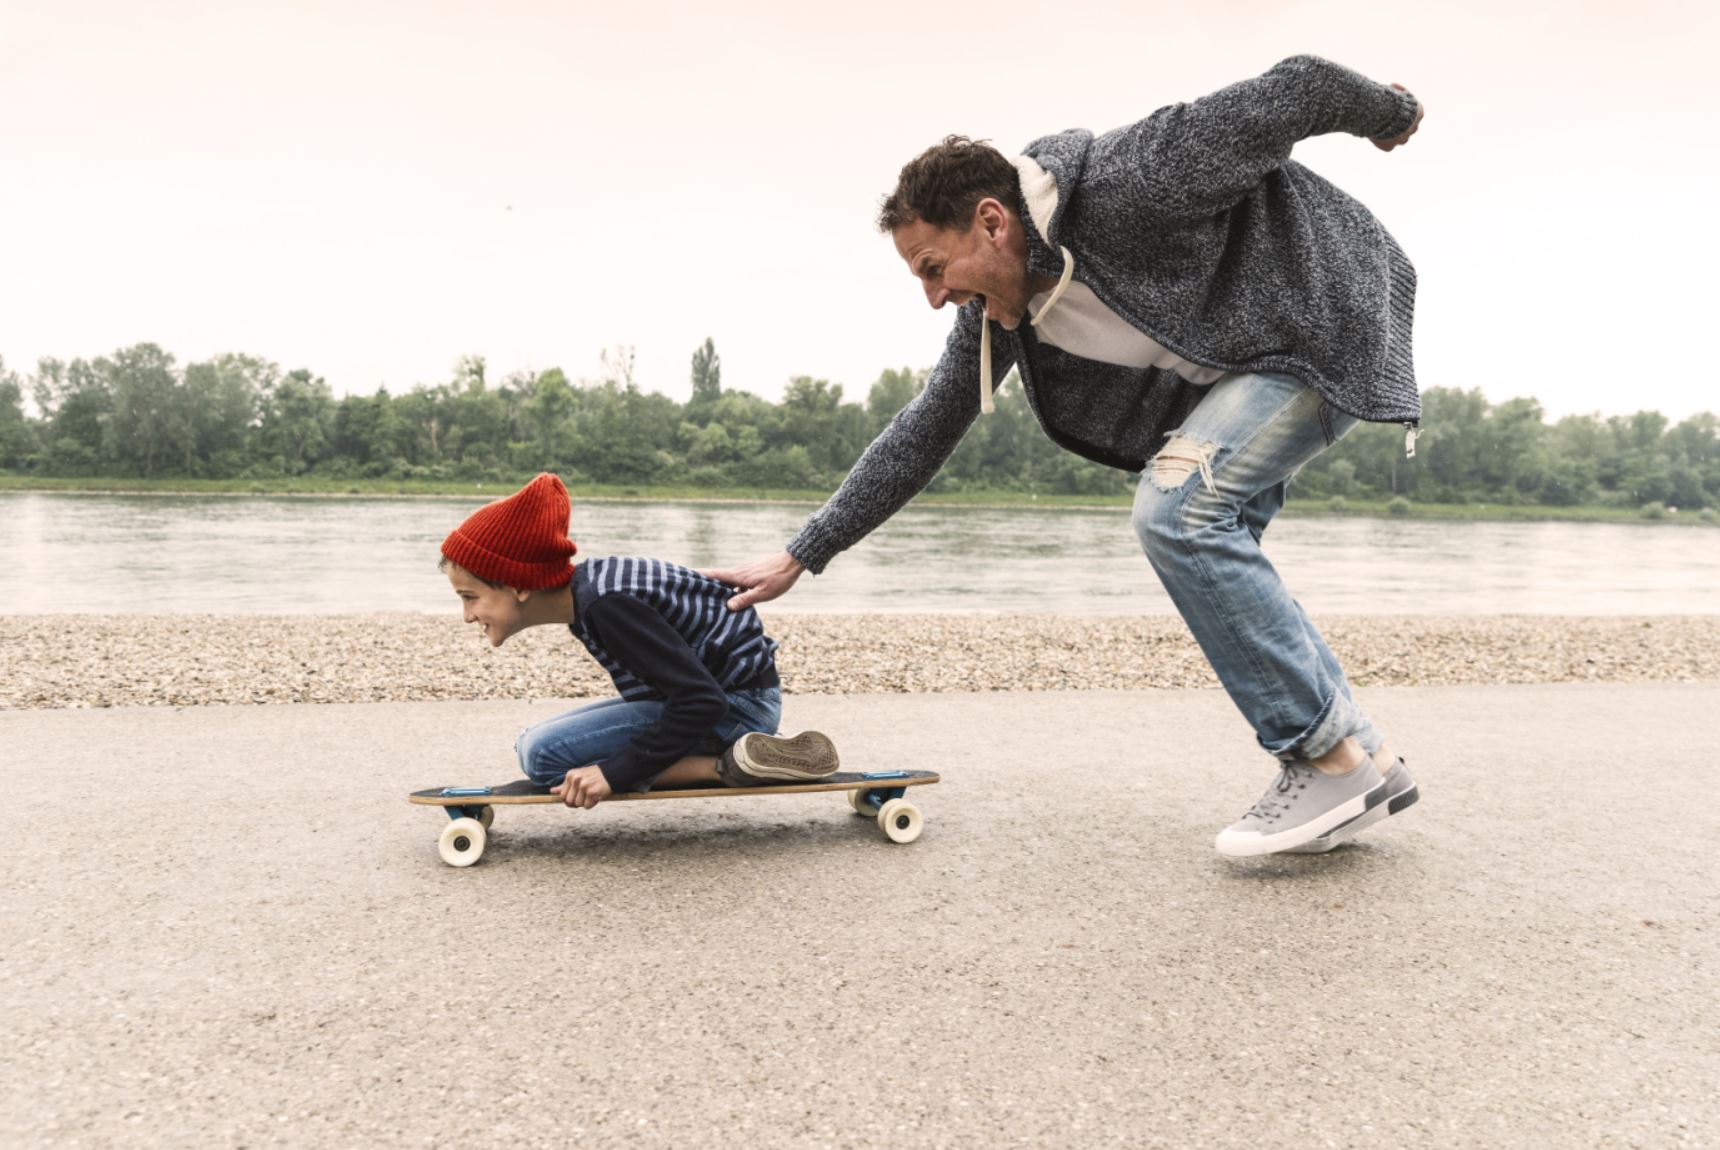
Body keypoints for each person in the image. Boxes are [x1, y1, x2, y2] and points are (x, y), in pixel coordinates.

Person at [705, 56, 1424, 857]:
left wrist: (1388, 113)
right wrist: (808, 549)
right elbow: (926, 428)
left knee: (1179, 511)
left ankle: (1324, 762)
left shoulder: (1130, 182)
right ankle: (1366, 756)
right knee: (1218, 545)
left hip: (1330, 319)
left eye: (934, 270)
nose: (935, 297)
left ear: (991, 221)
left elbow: (1295, 89)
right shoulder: (1002, 316)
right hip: (1251, 368)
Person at [440, 472, 838, 808]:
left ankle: (732, 763)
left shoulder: (604, 606)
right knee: (530, 742)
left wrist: (612, 774)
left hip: (738, 706)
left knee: (543, 756)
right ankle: (748, 751)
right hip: (731, 695)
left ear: (517, 586)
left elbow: (702, 701)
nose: (468, 615)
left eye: (470, 597)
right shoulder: (592, 592)